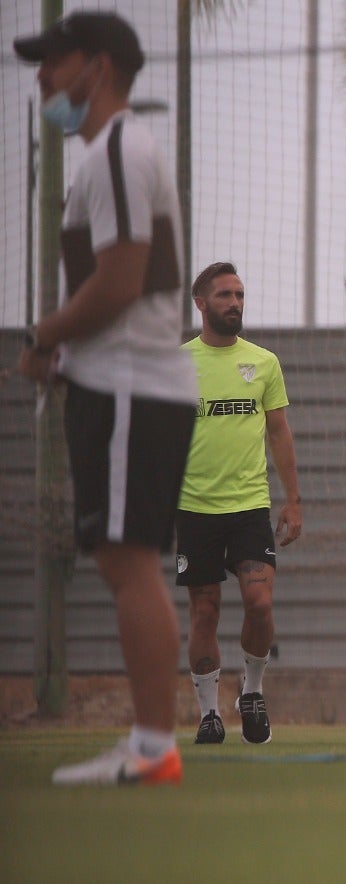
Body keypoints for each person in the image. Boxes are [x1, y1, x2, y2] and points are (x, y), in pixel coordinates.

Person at [16, 12, 195, 787]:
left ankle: (152, 746)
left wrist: (42, 333)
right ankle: (149, 742)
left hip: (131, 384)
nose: (42, 78)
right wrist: (63, 348)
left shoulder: (121, 147)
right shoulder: (109, 156)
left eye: (53, 61)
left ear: (99, 66)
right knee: (129, 564)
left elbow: (122, 279)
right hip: (116, 382)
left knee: (131, 567)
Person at [178, 262, 303, 745]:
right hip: (195, 508)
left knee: (260, 603)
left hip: (250, 507)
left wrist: (292, 500)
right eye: (225, 295)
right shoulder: (178, 364)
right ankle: (209, 713)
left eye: (240, 294)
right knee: (204, 611)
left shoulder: (264, 363)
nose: (235, 303)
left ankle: (251, 692)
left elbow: (279, 431)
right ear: (201, 304)